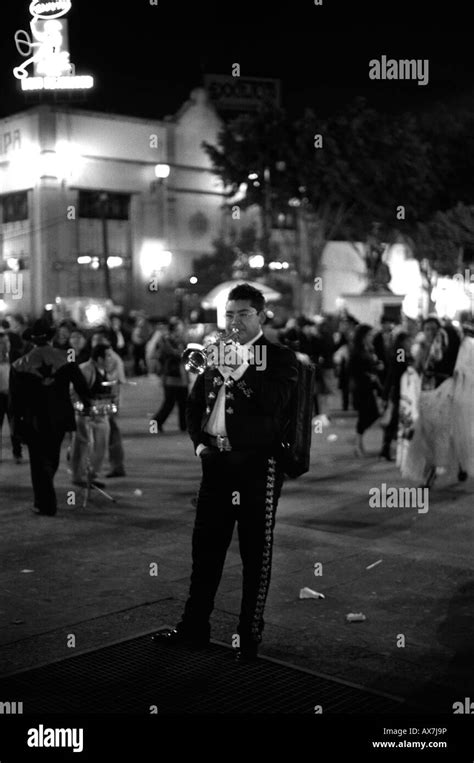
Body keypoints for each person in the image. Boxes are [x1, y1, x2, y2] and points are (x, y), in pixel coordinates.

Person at [152, 283, 298, 661]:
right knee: (205, 550)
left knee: (255, 553)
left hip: (257, 466)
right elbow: (194, 403)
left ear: (262, 315)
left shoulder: (279, 357)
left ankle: (248, 635)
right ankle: (194, 627)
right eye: (229, 314)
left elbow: (274, 403)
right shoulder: (213, 352)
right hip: (215, 463)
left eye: (243, 314)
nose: (234, 321)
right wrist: (200, 444)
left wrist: (241, 366)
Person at [9, 319, 91, 516]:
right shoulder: (66, 358)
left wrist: (15, 426)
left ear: (32, 340)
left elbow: (15, 401)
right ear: (51, 336)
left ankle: (44, 503)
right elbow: (81, 385)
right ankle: (45, 499)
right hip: (59, 417)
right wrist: (87, 404)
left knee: (38, 462)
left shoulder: (20, 364)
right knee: (52, 457)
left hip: (33, 419)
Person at [70, 344, 114, 488]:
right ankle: (79, 476)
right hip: (86, 415)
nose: (110, 359)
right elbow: (73, 392)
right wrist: (82, 409)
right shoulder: (85, 369)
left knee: (101, 446)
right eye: (108, 355)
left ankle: (91, 475)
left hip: (101, 414)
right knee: (83, 446)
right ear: (99, 358)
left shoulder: (105, 370)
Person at [348, 323, 383, 457]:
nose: (371, 337)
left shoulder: (369, 349)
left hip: (369, 387)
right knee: (365, 415)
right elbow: (353, 370)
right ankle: (358, 444)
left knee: (372, 414)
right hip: (361, 388)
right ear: (363, 336)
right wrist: (368, 374)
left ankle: (359, 442)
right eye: (369, 335)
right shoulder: (356, 351)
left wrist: (377, 366)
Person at [152, 318, 189, 432]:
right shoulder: (166, 340)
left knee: (184, 403)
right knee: (169, 403)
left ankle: (184, 426)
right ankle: (154, 424)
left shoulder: (181, 341)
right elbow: (171, 354)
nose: (181, 330)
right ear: (174, 329)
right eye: (179, 328)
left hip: (182, 375)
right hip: (171, 376)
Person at [0, 329, 23, 463]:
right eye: (1, 343)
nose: (4, 345)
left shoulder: (16, 356)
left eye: (6, 342)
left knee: (15, 425)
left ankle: (17, 453)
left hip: (12, 396)